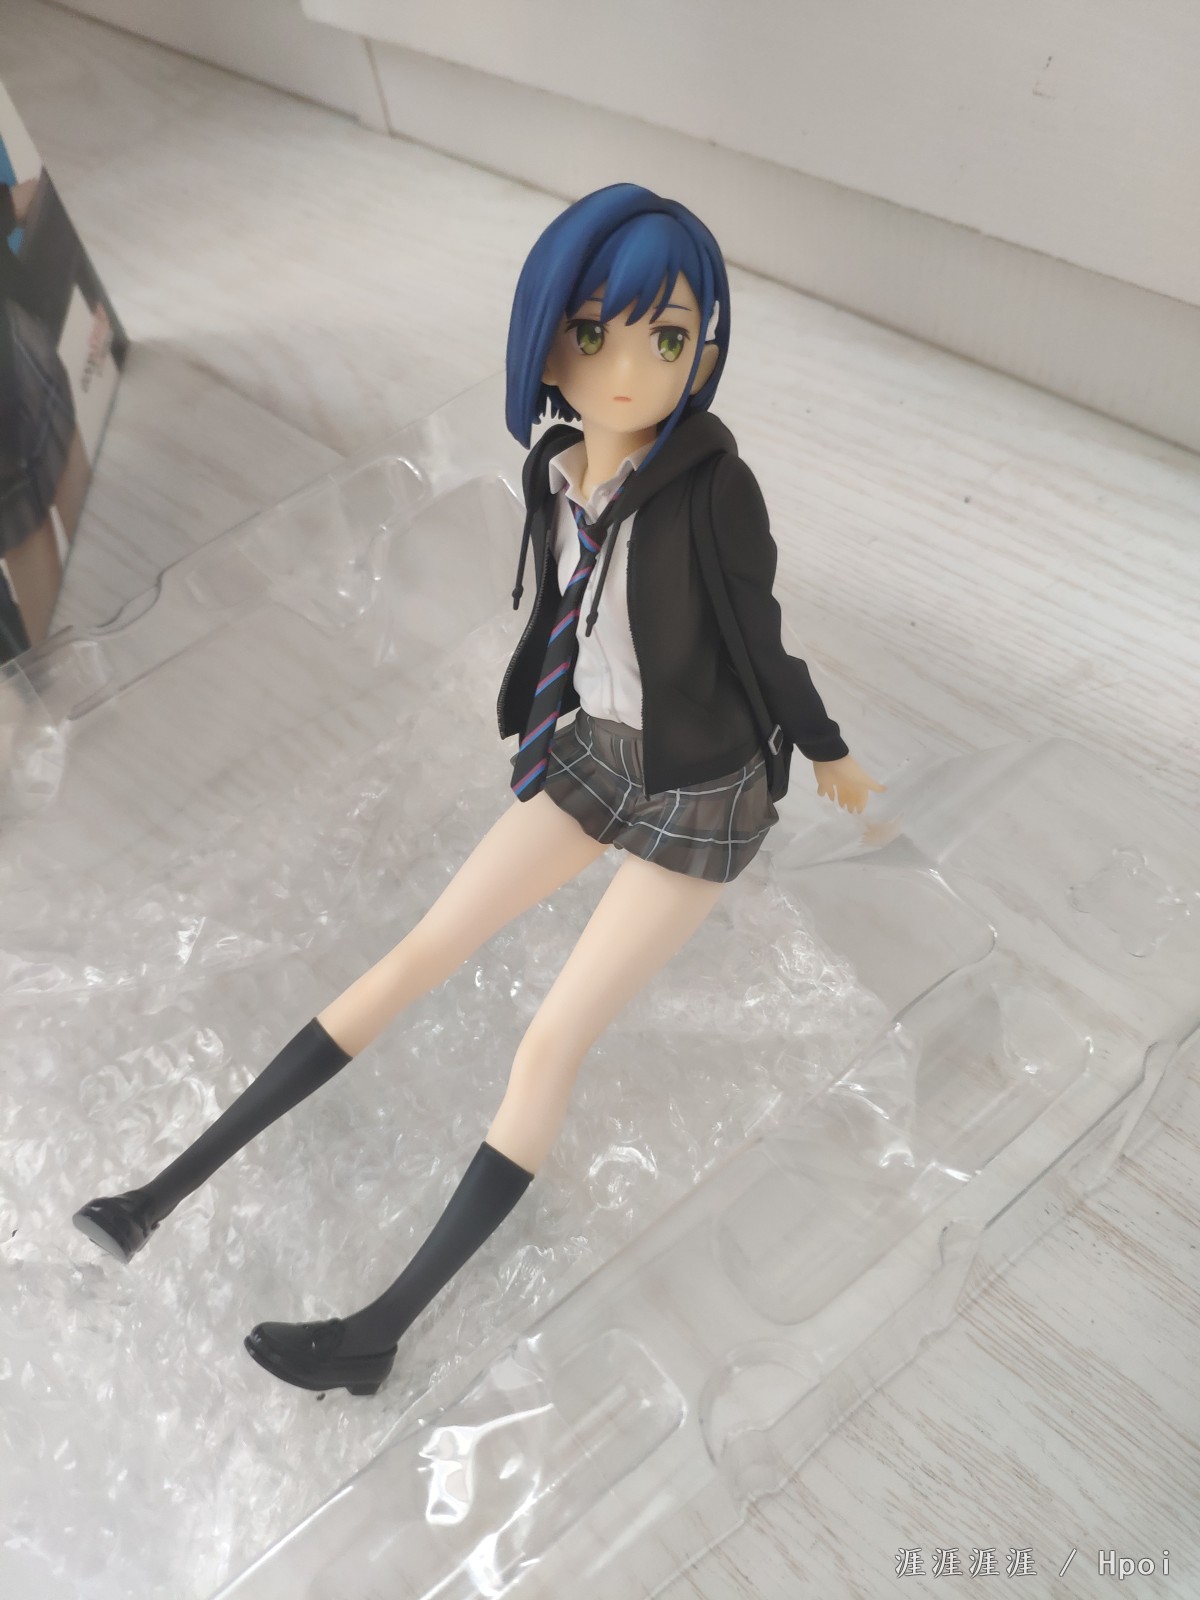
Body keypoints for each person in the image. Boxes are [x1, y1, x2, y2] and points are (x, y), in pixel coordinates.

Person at [72, 182, 885, 1398]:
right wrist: (541, 725)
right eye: (596, 332)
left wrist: (823, 747)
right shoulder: (554, 474)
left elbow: (759, 637)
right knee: (417, 952)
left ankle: (378, 1331)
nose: (629, 369)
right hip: (593, 754)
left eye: (667, 338)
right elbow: (563, 615)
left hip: (699, 787)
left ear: (703, 352)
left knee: (551, 1035)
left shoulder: (717, 489)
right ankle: (153, 1195)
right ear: (548, 343)